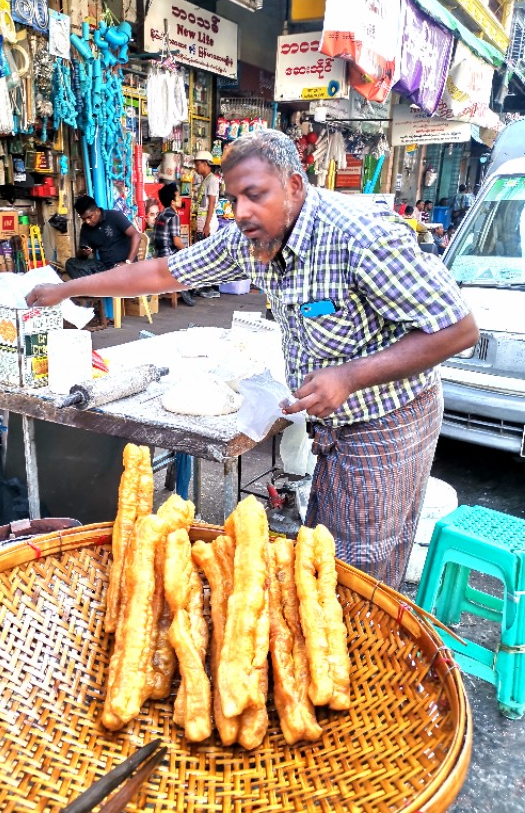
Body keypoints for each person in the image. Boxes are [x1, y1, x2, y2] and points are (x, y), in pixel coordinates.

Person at [27, 129, 478, 589]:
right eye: (233, 198)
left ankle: (364, 654)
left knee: (359, 566)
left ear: (295, 186)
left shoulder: (361, 237)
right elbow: (163, 271)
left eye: (255, 195)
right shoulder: (249, 238)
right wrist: (68, 289)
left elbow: (459, 330)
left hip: (390, 419)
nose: (240, 212)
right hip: (333, 424)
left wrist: (350, 376)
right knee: (322, 555)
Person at [64, 195, 141, 279]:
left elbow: (136, 235)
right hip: (104, 267)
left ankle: (98, 286)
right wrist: (83, 252)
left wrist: (128, 262)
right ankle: (95, 287)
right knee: (71, 263)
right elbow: (80, 256)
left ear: (97, 211)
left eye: (90, 217)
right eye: (84, 219)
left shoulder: (114, 216)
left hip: (124, 265)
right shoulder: (85, 228)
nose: (87, 221)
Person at [153, 183, 194, 306]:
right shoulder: (174, 216)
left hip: (158, 254)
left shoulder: (161, 214)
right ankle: (184, 288)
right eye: (178, 196)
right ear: (172, 201)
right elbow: (177, 242)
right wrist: (189, 250)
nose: (181, 198)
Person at [192, 149, 221, 298]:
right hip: (203, 222)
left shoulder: (213, 180)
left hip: (208, 223)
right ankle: (206, 286)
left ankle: (213, 288)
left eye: (198, 164)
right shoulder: (205, 180)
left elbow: (211, 203)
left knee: (209, 256)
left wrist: (206, 225)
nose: (196, 168)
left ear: (205, 164)